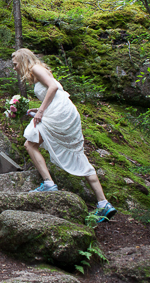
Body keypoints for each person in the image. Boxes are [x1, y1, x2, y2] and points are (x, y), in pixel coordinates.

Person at [11, 48, 117, 222]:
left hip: (60, 112)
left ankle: (49, 184)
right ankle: (103, 203)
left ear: (23, 60)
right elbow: (56, 93)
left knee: (30, 143)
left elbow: (54, 87)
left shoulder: (36, 68)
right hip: (63, 110)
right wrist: (39, 109)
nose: (14, 68)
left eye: (15, 64)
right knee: (75, 153)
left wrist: (41, 112)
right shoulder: (38, 70)